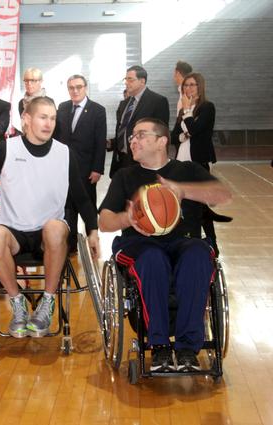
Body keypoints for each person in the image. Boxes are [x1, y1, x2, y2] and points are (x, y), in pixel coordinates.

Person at [0, 97, 100, 338]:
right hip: (14, 233)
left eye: (52, 118)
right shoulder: (6, 149)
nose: (49, 123)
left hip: (49, 233)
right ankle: (17, 303)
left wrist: (93, 231)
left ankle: (47, 301)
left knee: (54, 228)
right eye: (43, 117)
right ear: (26, 119)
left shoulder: (64, 153)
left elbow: (82, 198)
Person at [98, 117, 232, 372]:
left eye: (140, 135)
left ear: (161, 141)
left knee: (198, 255)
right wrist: (128, 218)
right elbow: (104, 222)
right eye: (132, 137)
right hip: (140, 244)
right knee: (152, 258)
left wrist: (181, 190)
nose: (132, 140)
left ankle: (187, 348)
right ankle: (159, 345)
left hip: (185, 242)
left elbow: (223, 195)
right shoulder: (125, 176)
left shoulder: (188, 170)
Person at [171, 72, 231, 254]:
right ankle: (189, 240)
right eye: (186, 85)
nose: (188, 88)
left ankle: (210, 243)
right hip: (181, 160)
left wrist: (187, 113)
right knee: (185, 204)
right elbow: (174, 135)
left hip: (198, 161)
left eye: (192, 85)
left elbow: (195, 129)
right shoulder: (182, 110)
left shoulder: (207, 107)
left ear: (200, 87)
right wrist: (183, 135)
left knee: (199, 205)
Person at [52, 74, 107, 254]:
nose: (75, 91)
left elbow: (100, 142)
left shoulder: (97, 110)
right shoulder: (62, 107)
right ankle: (71, 245)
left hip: (86, 169)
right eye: (71, 87)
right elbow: (56, 137)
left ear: (85, 88)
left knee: (87, 205)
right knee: (67, 206)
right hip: (63, 167)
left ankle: (92, 241)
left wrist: (97, 169)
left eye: (78, 87)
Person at [110, 65, 170, 177]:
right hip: (122, 161)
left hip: (144, 162)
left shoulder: (157, 101)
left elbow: (161, 134)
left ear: (142, 81)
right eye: (125, 79)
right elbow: (123, 131)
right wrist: (112, 143)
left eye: (130, 79)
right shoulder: (124, 104)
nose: (126, 83)